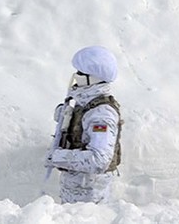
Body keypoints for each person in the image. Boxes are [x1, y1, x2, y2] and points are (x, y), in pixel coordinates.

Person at [46, 45, 122, 204]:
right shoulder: (86, 105)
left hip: (89, 196)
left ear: (92, 79)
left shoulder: (101, 114)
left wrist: (58, 156)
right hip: (77, 190)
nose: (76, 78)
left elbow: (98, 160)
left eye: (80, 74)